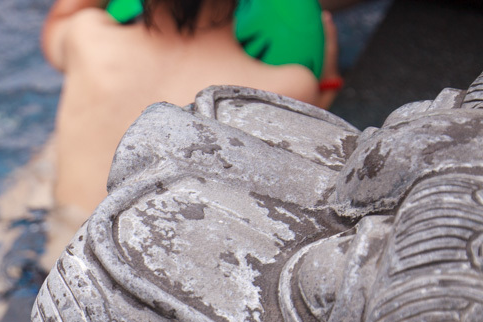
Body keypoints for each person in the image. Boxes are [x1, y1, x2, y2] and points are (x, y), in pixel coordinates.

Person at [30, 0, 337, 269]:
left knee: (46, 161)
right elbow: (313, 128)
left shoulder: (88, 36)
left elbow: (58, 23)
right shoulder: (278, 87)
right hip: (141, 262)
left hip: (53, 235)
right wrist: (328, 75)